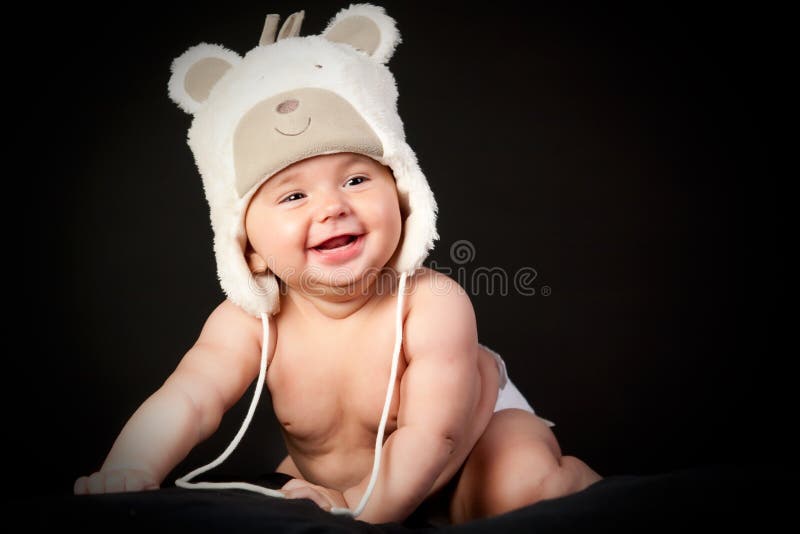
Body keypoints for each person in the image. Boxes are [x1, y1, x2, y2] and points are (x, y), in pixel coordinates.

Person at [73, 4, 601, 525]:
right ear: (247, 246)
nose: (332, 207)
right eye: (293, 196)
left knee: (518, 490)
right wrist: (130, 466)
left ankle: (573, 480)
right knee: (287, 497)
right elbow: (189, 399)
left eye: (355, 180)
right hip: (352, 482)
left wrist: (360, 512)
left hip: (473, 447)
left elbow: (432, 433)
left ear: (403, 195)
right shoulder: (251, 321)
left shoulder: (430, 302)